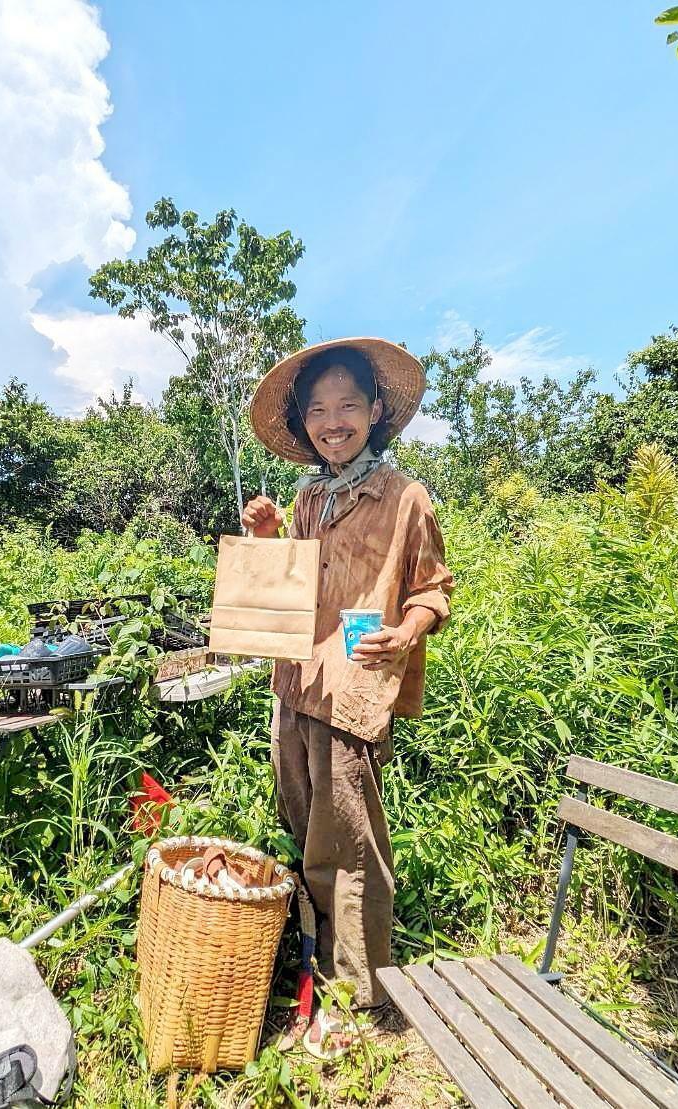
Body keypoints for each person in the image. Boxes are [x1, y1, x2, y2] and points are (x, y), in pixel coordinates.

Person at [241, 337, 454, 1057]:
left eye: (347, 406)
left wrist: (405, 631)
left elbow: (432, 588)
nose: (332, 421)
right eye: (318, 409)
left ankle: (358, 992)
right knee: (305, 833)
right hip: (297, 683)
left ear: (375, 411)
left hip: (355, 686)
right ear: (303, 423)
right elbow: (289, 589)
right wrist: (269, 537)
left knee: (351, 844)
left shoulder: (402, 497)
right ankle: (315, 965)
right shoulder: (307, 497)